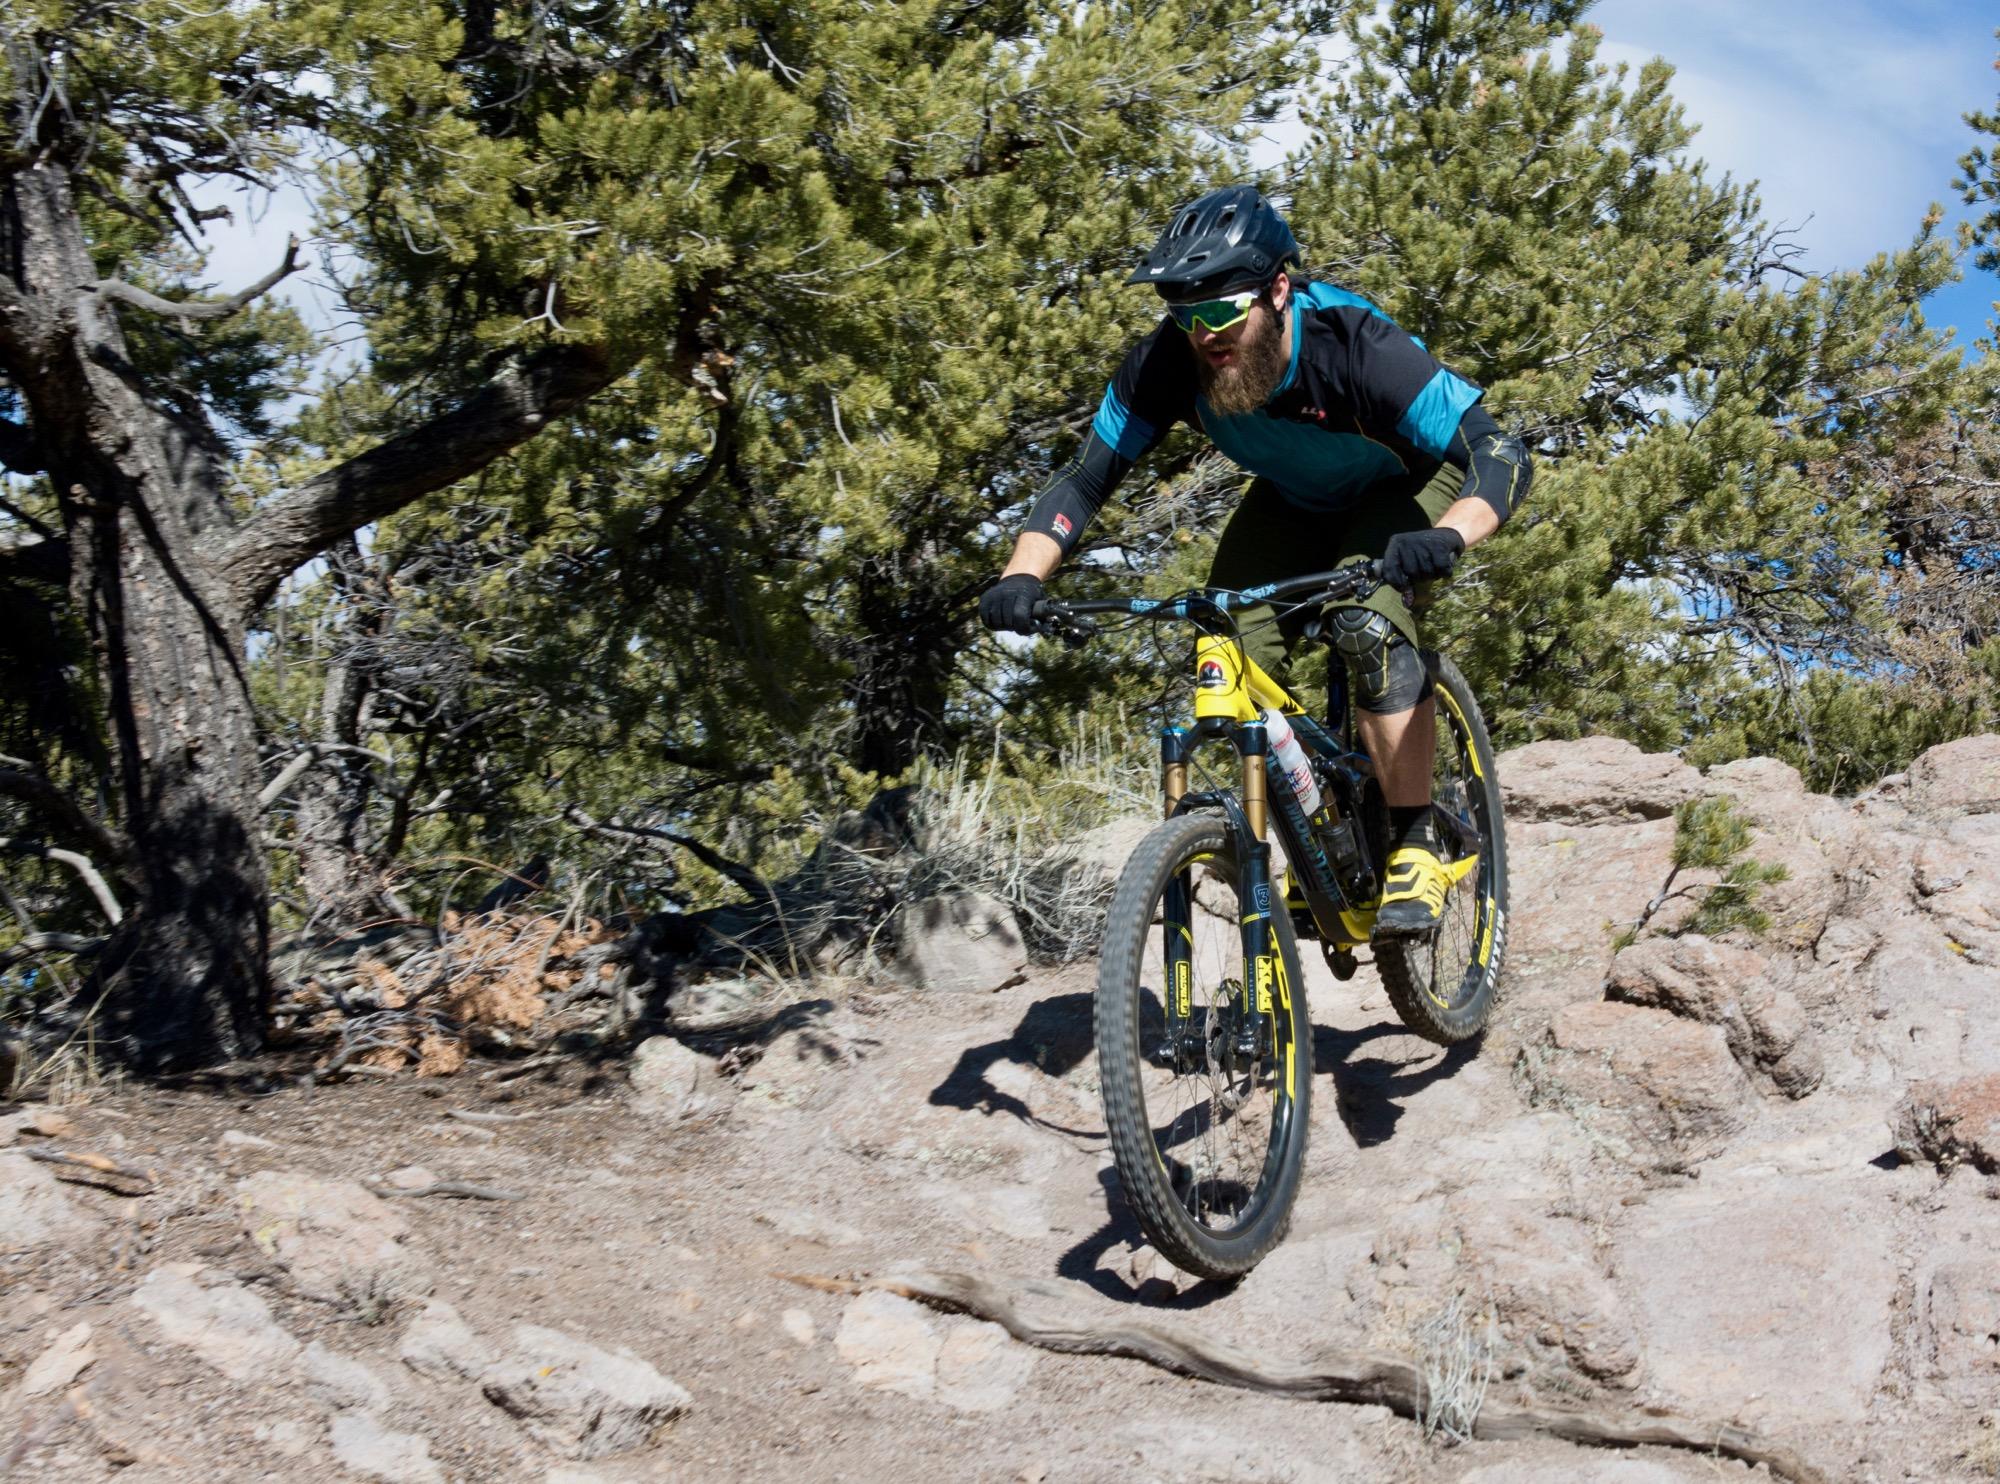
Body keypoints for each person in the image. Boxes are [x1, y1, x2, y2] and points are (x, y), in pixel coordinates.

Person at [978, 186, 1530, 936]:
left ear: (1277, 290)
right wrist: (1023, 575)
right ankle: (1313, 832)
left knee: (1366, 625)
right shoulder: (1167, 365)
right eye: (1183, 315)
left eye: (1220, 311)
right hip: (1297, 498)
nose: (1204, 335)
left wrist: (1451, 534)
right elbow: (1084, 478)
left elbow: (1497, 448)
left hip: (1405, 486)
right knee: (1219, 649)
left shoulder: (1350, 342)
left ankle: (1415, 840)